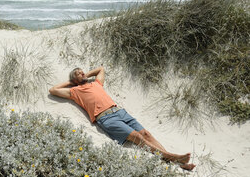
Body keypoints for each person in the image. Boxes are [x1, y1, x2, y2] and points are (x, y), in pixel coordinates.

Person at [49, 66, 196, 170]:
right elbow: (53, 90)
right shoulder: (75, 91)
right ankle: (173, 158)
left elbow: (101, 69)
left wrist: (85, 75)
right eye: (78, 73)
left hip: (120, 112)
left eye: (81, 71)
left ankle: (176, 162)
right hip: (106, 119)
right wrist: (72, 82)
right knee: (137, 138)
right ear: (74, 80)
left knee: (146, 134)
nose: (81, 73)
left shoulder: (96, 83)